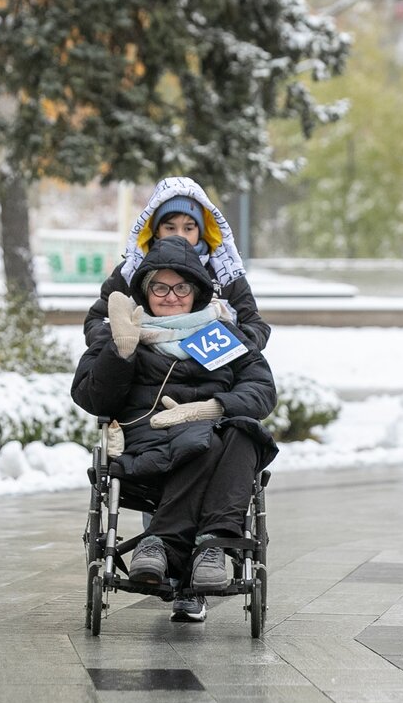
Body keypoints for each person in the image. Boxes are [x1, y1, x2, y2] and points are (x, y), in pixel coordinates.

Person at [82, 175, 271, 622]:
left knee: (238, 432)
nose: (171, 296)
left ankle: (170, 547)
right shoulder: (133, 295)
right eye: (171, 227)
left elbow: (259, 369)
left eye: (182, 288)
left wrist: (217, 402)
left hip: (208, 424)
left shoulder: (219, 326)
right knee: (204, 442)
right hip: (150, 436)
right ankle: (185, 553)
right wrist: (120, 346)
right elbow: (94, 378)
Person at [83, 176, 270, 352]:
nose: (180, 235)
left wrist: (226, 348)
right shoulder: (131, 271)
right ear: (155, 231)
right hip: (144, 378)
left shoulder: (225, 273)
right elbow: (96, 320)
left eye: (188, 228)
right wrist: (126, 346)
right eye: (170, 227)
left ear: (201, 231)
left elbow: (256, 326)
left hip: (211, 378)